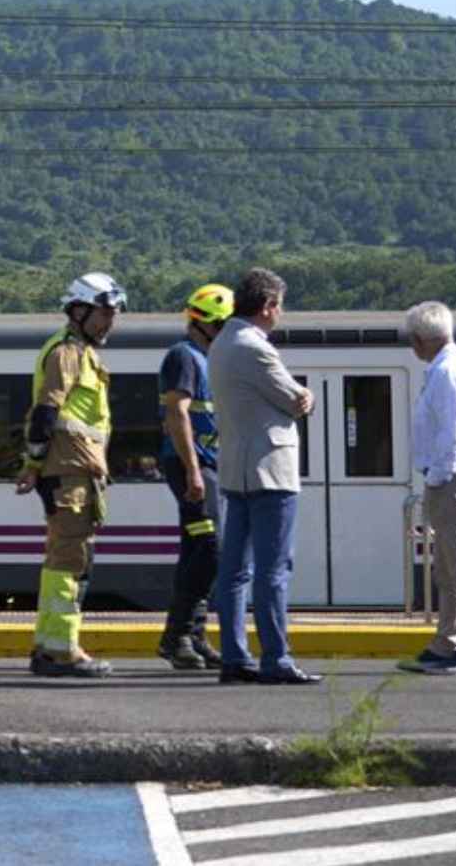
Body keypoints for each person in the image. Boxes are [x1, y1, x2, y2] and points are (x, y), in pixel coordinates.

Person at [209, 267, 322, 685]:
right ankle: (276, 658)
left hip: (235, 471)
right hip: (270, 472)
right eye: (280, 306)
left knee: (234, 571)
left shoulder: (221, 342)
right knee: (274, 569)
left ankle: (234, 657)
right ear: (269, 306)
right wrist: (304, 399)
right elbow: (294, 400)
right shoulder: (255, 348)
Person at [14, 271, 126, 678]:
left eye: (113, 314)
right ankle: (62, 651)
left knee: (61, 558)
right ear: (79, 310)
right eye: (104, 313)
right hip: (69, 474)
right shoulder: (67, 352)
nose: (110, 321)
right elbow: (46, 412)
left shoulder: (82, 352)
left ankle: (47, 647)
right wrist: (33, 462)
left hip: (76, 472)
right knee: (71, 560)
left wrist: (34, 466)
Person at [397, 301, 456, 676]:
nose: (411, 346)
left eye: (412, 339)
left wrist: (436, 477)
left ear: (422, 339)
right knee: (448, 568)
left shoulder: (447, 372)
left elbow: (452, 434)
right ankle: (446, 642)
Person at [156, 283, 233, 670]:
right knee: (210, 548)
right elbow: (177, 414)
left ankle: (192, 636)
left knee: (197, 551)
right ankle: (178, 637)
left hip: (206, 465)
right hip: (191, 466)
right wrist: (192, 471)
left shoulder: (206, 359)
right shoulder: (183, 357)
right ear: (208, 325)